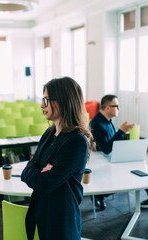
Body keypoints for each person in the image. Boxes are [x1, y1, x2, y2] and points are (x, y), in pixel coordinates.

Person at [21, 76, 95, 240]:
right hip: (41, 209)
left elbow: (46, 183)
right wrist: (39, 171)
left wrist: (38, 173)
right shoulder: (49, 133)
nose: (42, 105)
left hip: (60, 217)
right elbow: (29, 167)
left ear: (63, 101)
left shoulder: (77, 141)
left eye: (46, 100)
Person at [89, 94, 135, 210]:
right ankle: (98, 193)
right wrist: (121, 131)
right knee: (125, 177)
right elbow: (106, 149)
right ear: (108, 108)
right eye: (117, 106)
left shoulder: (108, 120)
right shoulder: (97, 124)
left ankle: (100, 193)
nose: (119, 109)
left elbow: (112, 142)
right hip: (100, 160)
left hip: (109, 156)